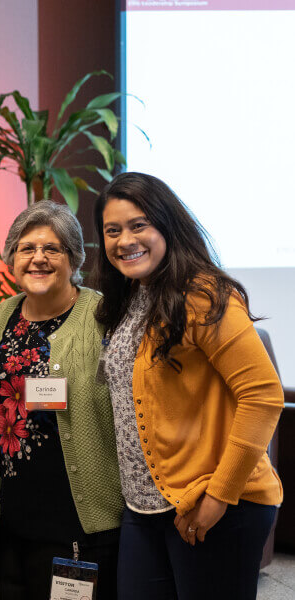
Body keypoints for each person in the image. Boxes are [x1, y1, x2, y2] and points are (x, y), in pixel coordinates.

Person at [91, 172, 283, 600]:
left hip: (216, 502)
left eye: (139, 225)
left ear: (167, 225)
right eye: (112, 230)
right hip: (144, 506)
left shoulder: (205, 293)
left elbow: (263, 395)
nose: (125, 240)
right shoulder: (127, 300)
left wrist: (220, 496)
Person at [0, 200, 123, 600]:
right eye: (27, 248)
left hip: (79, 520)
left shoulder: (102, 315)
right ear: (12, 257)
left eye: (52, 249)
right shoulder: (3, 314)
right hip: (14, 516)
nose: (38, 258)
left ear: (73, 257)